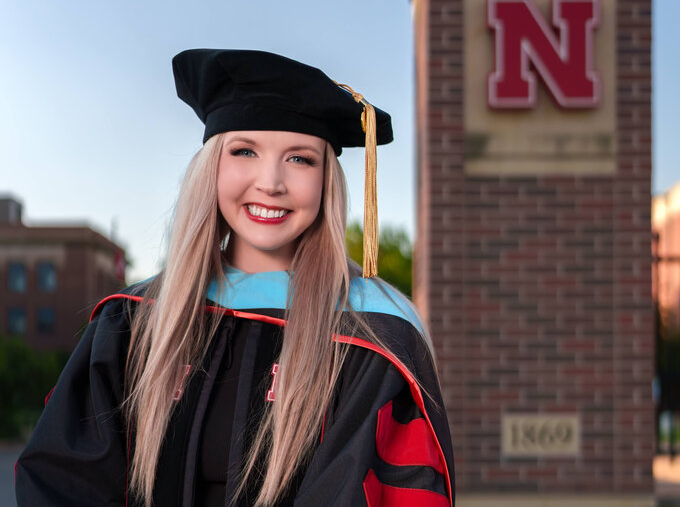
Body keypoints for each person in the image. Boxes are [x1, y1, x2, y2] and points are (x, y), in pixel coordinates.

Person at [15, 49, 455, 507]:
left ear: (327, 181)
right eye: (245, 151)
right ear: (212, 169)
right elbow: (63, 482)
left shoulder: (372, 333)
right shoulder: (133, 322)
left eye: (300, 159)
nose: (271, 182)